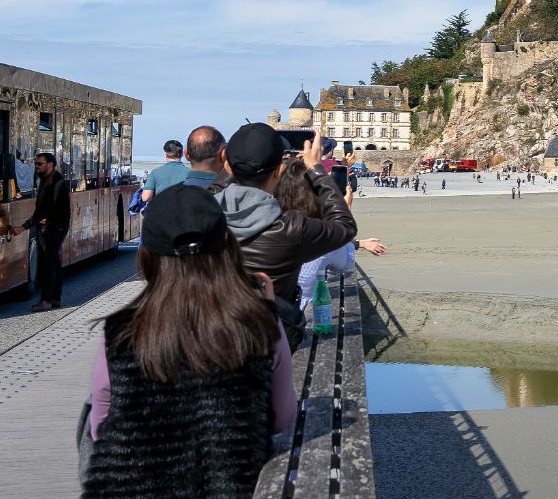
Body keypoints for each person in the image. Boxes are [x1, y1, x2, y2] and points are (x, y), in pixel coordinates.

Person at [54, 185, 296, 499]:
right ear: (227, 248)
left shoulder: (123, 330)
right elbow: (283, 420)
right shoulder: (259, 326)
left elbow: (102, 422)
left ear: (149, 255)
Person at [209, 123, 357, 348]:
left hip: (212, 331)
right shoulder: (293, 227)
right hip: (271, 337)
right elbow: (345, 227)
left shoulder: (203, 213)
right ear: (279, 171)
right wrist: (315, 169)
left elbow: (213, 193)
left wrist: (240, 158)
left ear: (227, 164)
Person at [276, 160, 386, 315]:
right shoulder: (317, 236)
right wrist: (344, 209)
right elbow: (344, 263)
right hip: (297, 316)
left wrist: (360, 243)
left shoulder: (270, 223)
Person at [23, 153, 72, 312]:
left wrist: (25, 226)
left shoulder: (57, 183)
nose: (36, 166)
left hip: (55, 227)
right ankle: (55, 299)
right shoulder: (46, 180)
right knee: (55, 263)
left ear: (50, 165)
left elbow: (46, 208)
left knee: (49, 263)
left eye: (40, 164)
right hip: (50, 226)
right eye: (36, 164)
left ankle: (46, 301)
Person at [140, 140, 188, 207]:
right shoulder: (191, 173)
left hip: (161, 214)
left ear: (166, 154)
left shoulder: (155, 173)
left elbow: (146, 197)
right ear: (182, 154)